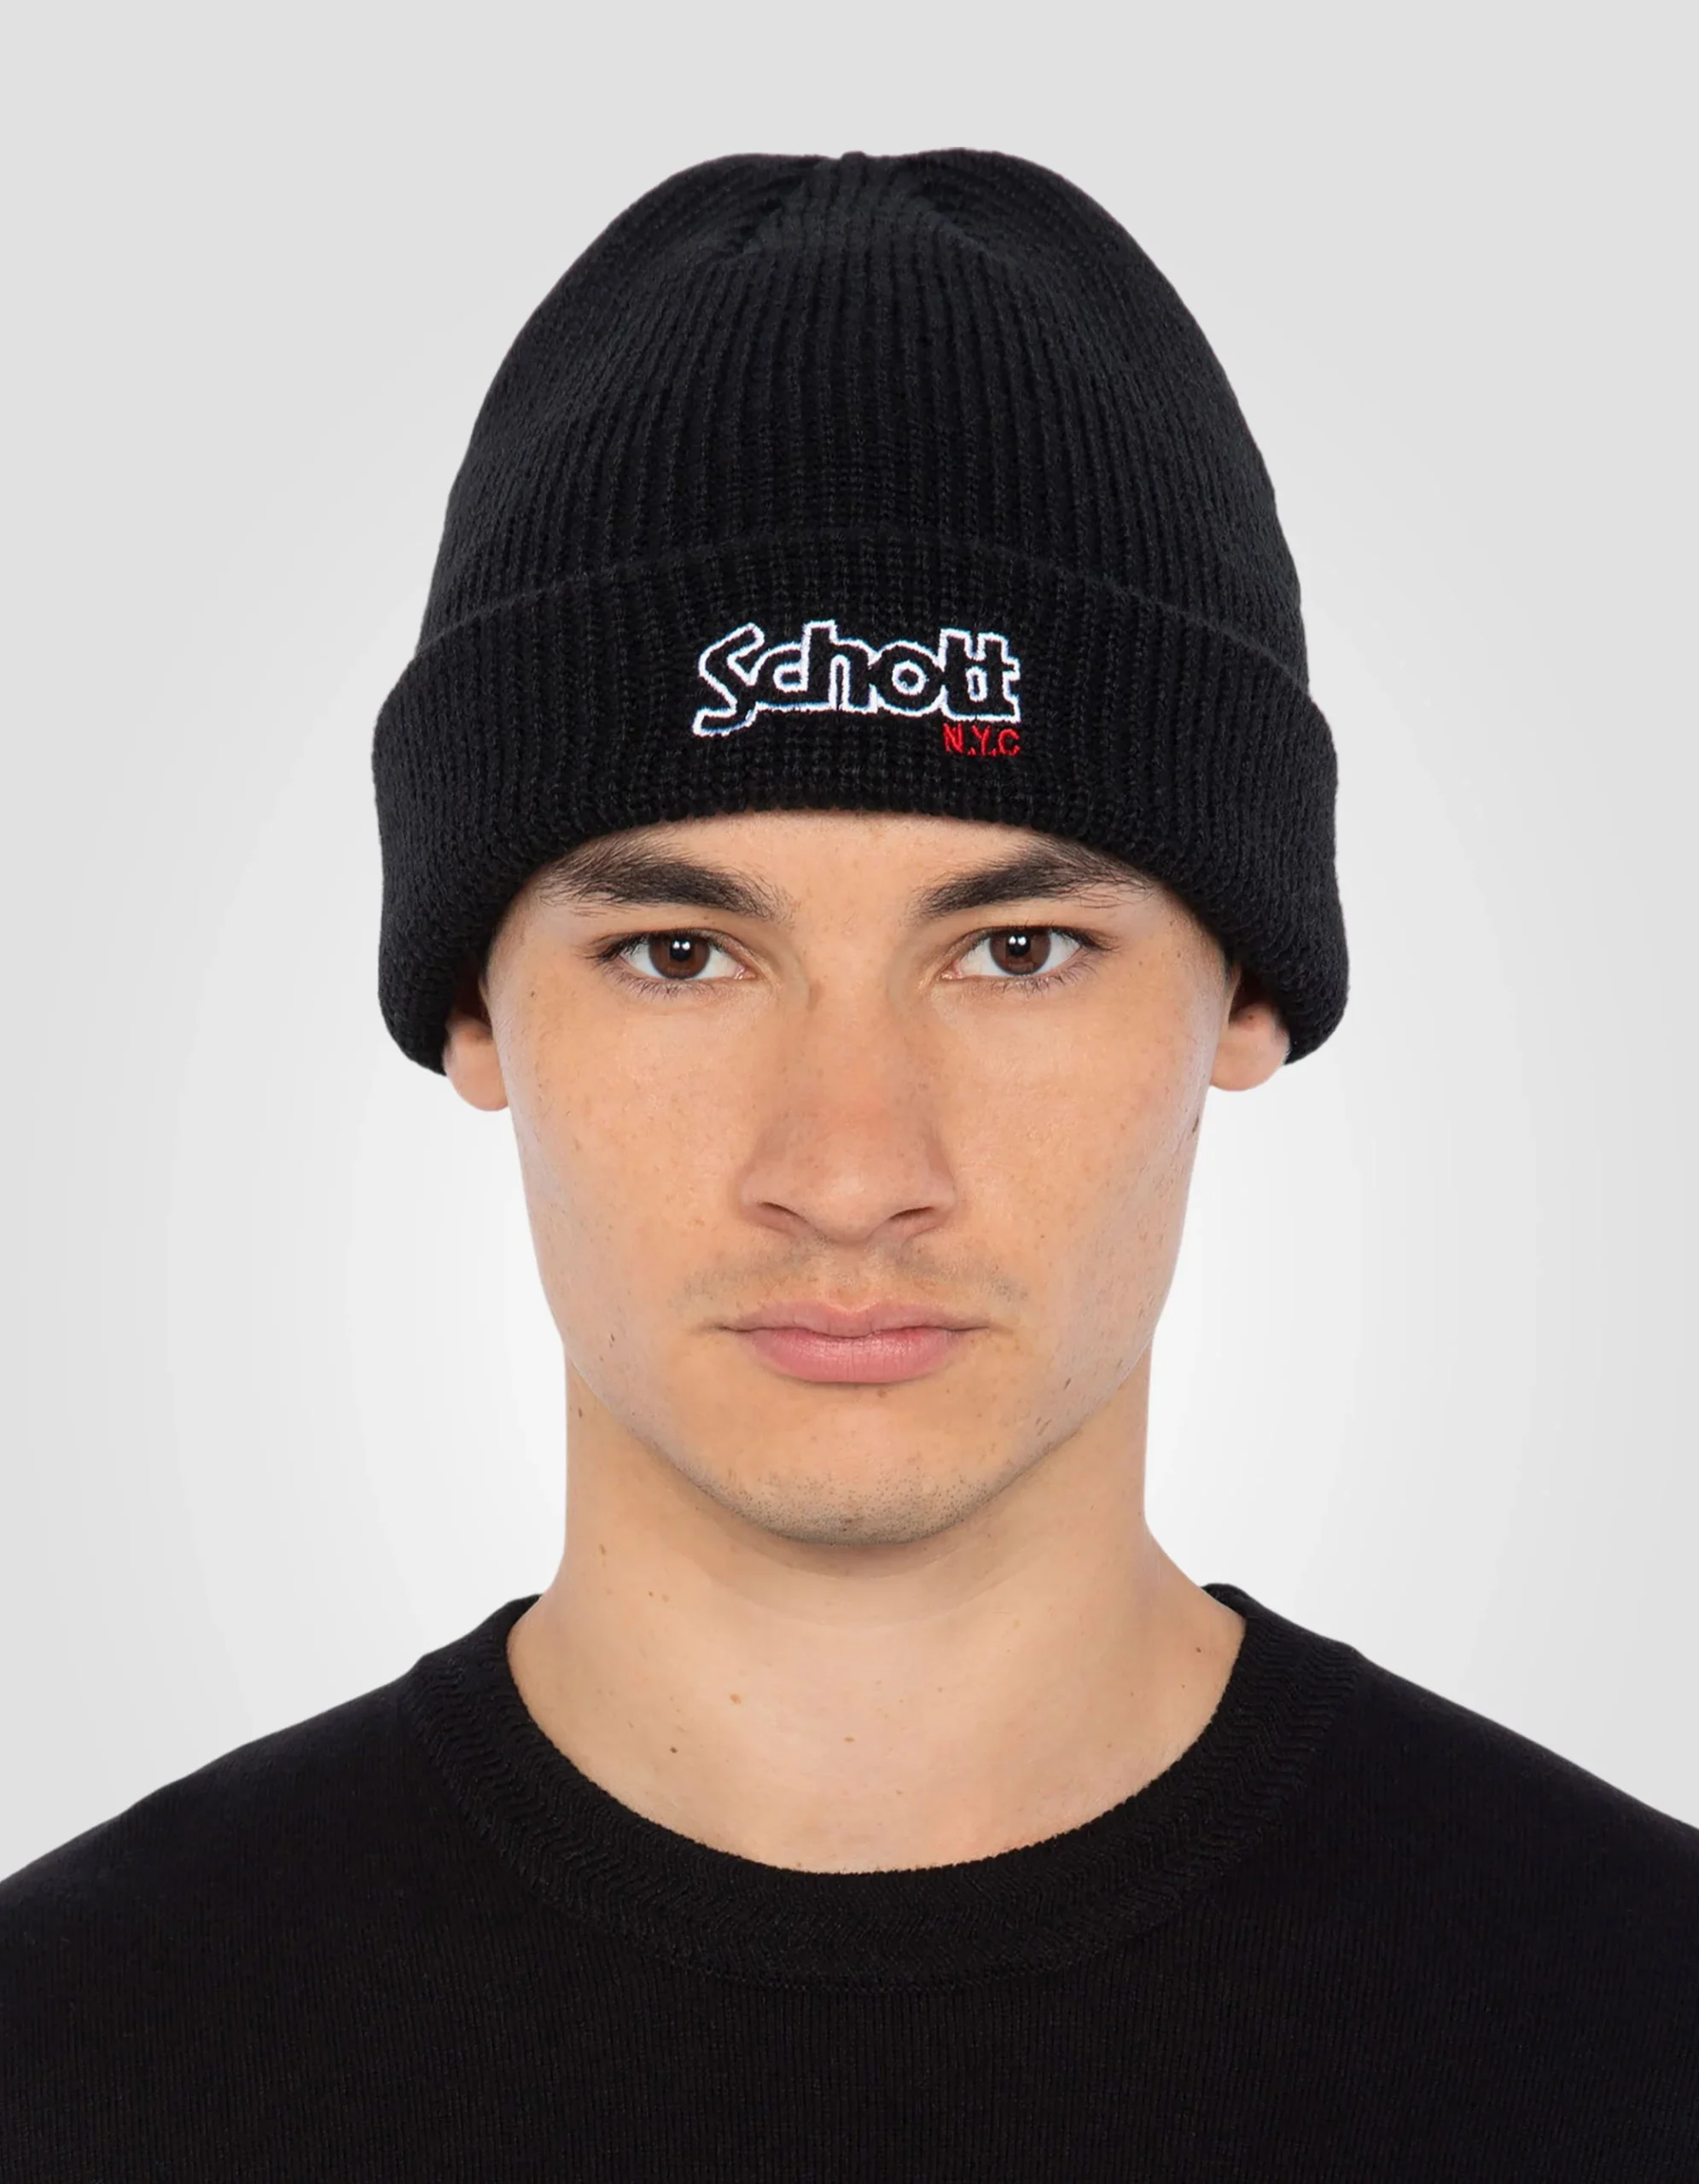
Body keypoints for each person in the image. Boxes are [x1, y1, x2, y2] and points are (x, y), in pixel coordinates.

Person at [3, 148, 1695, 2181]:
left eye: (1015, 949)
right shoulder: (76, 2058)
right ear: (471, 1011)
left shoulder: (1633, 2030)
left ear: (1247, 990)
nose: (848, 1166)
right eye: (678, 953)